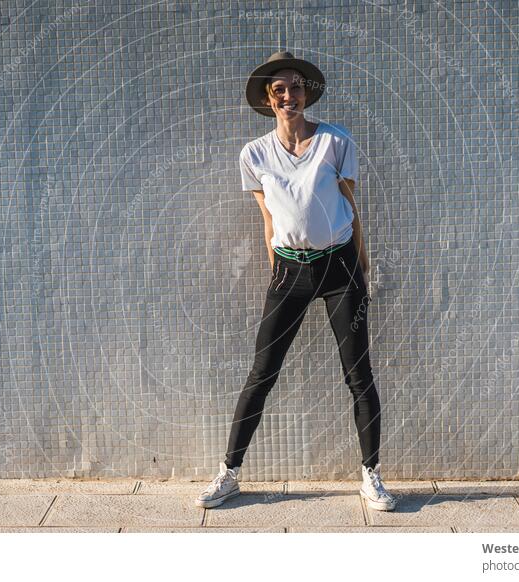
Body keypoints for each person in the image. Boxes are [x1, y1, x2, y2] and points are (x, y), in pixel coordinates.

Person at [195, 51, 396, 512]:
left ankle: (371, 477)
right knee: (261, 373)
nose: (290, 95)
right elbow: (268, 218)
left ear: (307, 94)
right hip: (289, 270)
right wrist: (276, 270)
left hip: (340, 270)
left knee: (358, 374)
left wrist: (362, 268)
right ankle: (229, 474)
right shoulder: (254, 154)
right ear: (268, 100)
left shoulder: (336, 141)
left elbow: (352, 209)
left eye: (297, 87)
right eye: (279, 89)